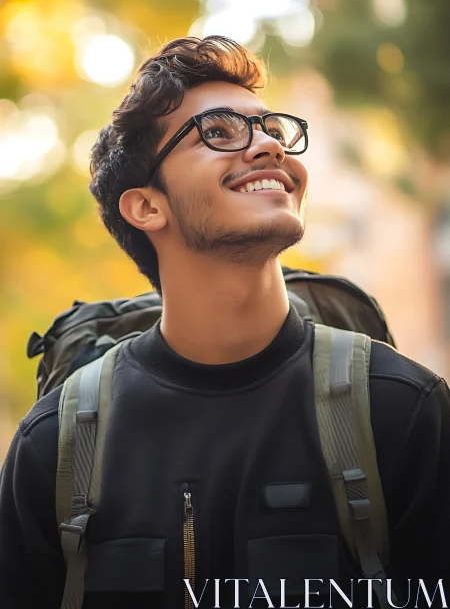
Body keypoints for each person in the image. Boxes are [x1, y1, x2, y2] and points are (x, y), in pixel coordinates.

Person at [0, 35, 449, 609]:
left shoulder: (399, 408)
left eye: (272, 130)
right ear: (146, 206)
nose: (267, 148)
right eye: (218, 131)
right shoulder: (58, 444)